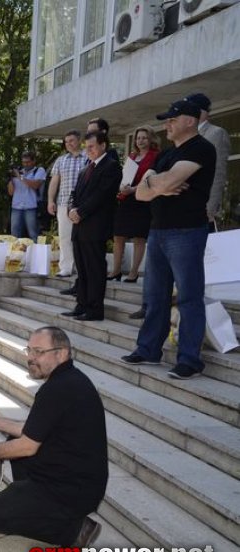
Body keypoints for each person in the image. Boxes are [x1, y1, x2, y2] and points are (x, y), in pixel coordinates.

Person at [0, 327, 108, 547]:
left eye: (39, 352)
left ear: (61, 353)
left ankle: (75, 531)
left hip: (73, 489)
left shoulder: (59, 389)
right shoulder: (68, 380)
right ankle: (31, 503)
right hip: (75, 478)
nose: (31, 358)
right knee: (15, 450)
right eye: (29, 350)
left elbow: (28, 446)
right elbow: (35, 430)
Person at [122, 100, 215, 380]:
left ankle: (189, 360)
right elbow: (140, 193)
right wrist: (160, 186)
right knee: (154, 297)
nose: (167, 125)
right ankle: (149, 350)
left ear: (190, 120)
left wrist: (157, 185)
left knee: (188, 297)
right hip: (158, 230)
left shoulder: (201, 148)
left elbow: (160, 184)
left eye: (172, 119)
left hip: (187, 232)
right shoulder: (166, 156)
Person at [61, 131, 121, 322]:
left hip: (95, 227)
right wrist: (71, 209)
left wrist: (80, 212)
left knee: (95, 269)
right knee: (82, 269)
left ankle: (95, 309)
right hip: (79, 228)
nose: (89, 150)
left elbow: (101, 196)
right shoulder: (85, 169)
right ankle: (82, 305)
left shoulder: (111, 167)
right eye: (87, 147)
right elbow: (74, 194)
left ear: (103, 145)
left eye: (92, 146)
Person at [111, 127, 159, 283]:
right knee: (118, 236)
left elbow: (151, 180)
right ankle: (116, 270)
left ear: (151, 139)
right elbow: (125, 177)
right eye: (138, 138)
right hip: (126, 200)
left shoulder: (155, 157)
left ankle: (133, 272)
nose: (141, 141)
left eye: (144, 138)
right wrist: (123, 188)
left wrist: (133, 189)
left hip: (142, 200)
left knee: (139, 238)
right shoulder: (132, 156)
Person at [184, 93, 230, 232]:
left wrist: (210, 207)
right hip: (184, 207)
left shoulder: (216, 133)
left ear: (200, 110)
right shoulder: (185, 136)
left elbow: (218, 172)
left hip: (203, 208)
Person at [46, 130, 83, 278]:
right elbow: (54, 181)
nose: (69, 144)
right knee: (65, 237)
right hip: (63, 203)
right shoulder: (61, 160)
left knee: (82, 238)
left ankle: (81, 269)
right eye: (66, 142)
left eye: (72, 141)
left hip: (82, 204)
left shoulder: (88, 157)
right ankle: (66, 268)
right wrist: (50, 201)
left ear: (79, 140)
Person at [6, 151, 45, 242]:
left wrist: (19, 177)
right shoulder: (19, 172)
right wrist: (11, 179)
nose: (25, 164)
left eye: (28, 162)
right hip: (16, 206)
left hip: (31, 207)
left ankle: (36, 254)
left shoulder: (39, 171)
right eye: (24, 162)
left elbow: (35, 185)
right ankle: (16, 254)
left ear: (34, 161)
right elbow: (11, 193)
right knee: (14, 234)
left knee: (33, 234)